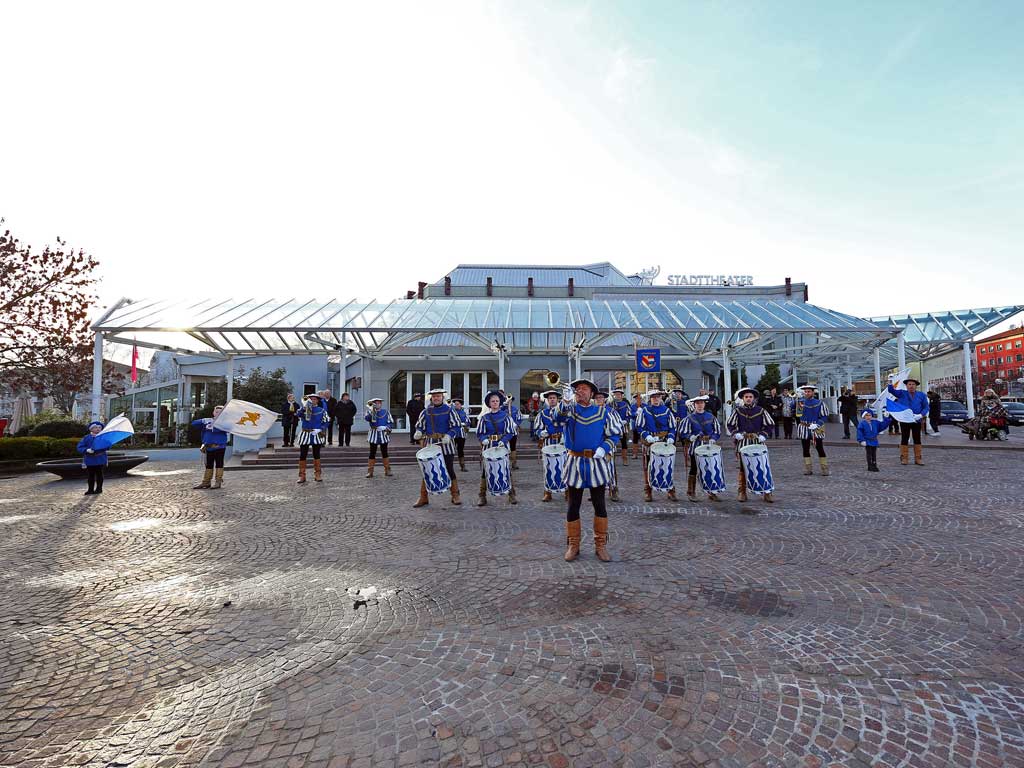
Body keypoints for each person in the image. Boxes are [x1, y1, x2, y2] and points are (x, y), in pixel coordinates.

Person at [553, 378, 621, 562]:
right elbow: (557, 419)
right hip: (574, 461)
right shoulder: (570, 410)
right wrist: (565, 401)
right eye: (577, 389)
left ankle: (601, 545)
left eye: (584, 389)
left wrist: (604, 448)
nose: (579, 391)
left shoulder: (603, 412)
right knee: (573, 504)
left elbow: (614, 434)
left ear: (592, 393)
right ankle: (573, 545)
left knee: (599, 504)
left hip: (596, 462)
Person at [413, 388, 462, 507]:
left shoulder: (450, 410)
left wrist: (449, 435)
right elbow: (420, 425)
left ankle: (455, 495)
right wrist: (419, 431)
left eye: (438, 396)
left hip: (446, 443)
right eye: (434, 396)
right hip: (430, 443)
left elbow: (456, 426)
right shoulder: (426, 411)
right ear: (431, 398)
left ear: (442, 397)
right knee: (427, 469)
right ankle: (423, 497)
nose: (436, 398)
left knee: (449, 469)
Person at [727, 388, 774, 504]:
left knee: (762, 466)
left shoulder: (761, 410)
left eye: (750, 397)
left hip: (758, 441)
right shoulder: (738, 411)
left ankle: (767, 491)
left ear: (754, 399)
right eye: (746, 397)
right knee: (743, 467)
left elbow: (770, 424)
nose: (748, 399)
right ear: (743, 398)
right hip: (743, 442)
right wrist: (735, 434)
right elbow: (730, 424)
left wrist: (764, 434)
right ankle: (742, 491)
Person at [476, 390, 518, 506]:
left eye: (497, 401)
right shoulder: (484, 418)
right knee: (485, 471)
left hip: (502, 446)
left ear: (500, 403)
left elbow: (510, 432)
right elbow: (479, 433)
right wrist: (483, 439)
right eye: (492, 401)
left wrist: (503, 441)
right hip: (488, 446)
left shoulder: (506, 417)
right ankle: (482, 495)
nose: (495, 403)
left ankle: (511, 494)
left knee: (506, 469)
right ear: (489, 403)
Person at [636, 389, 678, 503]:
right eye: (653, 397)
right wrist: (646, 435)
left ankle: (670, 489)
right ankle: (648, 490)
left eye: (658, 397)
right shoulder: (645, 411)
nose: (656, 399)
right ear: (650, 399)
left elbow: (672, 427)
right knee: (649, 466)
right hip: (650, 443)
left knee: (667, 466)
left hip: (664, 442)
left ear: (661, 398)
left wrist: (670, 437)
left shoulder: (667, 411)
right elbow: (639, 427)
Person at [680, 395, 721, 502]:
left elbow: (717, 431)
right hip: (696, 447)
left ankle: (712, 491)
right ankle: (691, 492)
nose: (699, 405)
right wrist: (690, 437)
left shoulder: (711, 416)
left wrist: (713, 438)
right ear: (694, 405)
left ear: (704, 404)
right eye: (697, 403)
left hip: (709, 447)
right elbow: (683, 432)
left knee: (711, 468)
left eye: (701, 403)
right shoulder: (689, 418)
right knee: (694, 468)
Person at [888, 377, 929, 465]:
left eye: (913, 384)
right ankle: (904, 458)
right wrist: (890, 381)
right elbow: (891, 390)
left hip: (916, 420)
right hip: (905, 420)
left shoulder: (921, 395)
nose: (911, 386)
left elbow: (926, 407)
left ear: (916, 386)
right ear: (906, 386)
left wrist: (921, 415)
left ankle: (918, 458)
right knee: (904, 438)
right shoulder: (902, 393)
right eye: (909, 384)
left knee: (917, 438)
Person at [535, 389, 566, 502]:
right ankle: (547, 492)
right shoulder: (542, 414)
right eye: (550, 398)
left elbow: (569, 425)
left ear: (558, 400)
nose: (552, 400)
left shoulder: (564, 412)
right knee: (548, 468)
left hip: (562, 443)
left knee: (564, 467)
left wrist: (565, 435)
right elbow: (537, 428)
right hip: (548, 442)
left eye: (554, 398)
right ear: (547, 400)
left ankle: (567, 491)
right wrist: (540, 433)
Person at [595, 390, 623, 502]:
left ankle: (613, 489)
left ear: (604, 399)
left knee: (610, 468)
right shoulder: (592, 411)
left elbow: (617, 427)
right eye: (596, 398)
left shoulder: (611, 411)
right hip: (594, 445)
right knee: (595, 468)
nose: (598, 399)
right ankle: (596, 491)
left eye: (600, 397)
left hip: (607, 444)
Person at [796, 383, 829, 476]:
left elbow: (824, 416)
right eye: (805, 391)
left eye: (808, 391)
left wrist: (817, 424)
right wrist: (796, 400)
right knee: (805, 449)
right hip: (804, 427)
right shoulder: (800, 402)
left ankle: (824, 468)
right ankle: (808, 469)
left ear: (813, 392)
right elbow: (796, 414)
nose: (806, 393)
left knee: (819, 448)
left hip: (816, 428)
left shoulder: (820, 403)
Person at [192, 405, 229, 489]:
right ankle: (206, 482)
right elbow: (194, 424)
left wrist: (213, 427)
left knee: (219, 464)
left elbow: (227, 429)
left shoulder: (224, 423)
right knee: (209, 464)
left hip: (220, 446)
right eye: (216, 412)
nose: (217, 413)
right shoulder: (208, 421)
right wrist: (203, 421)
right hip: (208, 447)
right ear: (213, 412)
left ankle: (218, 482)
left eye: (220, 412)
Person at [296, 393, 326, 483]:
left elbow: (327, 420)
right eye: (311, 399)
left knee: (316, 454)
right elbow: (298, 414)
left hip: (315, 433)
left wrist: (320, 429)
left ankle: (318, 474)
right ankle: (302, 476)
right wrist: (304, 407)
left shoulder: (321, 410)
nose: (312, 401)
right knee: (302, 455)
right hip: (305, 433)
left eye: (314, 399)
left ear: (317, 400)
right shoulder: (304, 409)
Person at [364, 397, 394, 478]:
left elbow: (390, 422)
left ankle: (387, 469)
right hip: (373, 433)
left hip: (383, 434)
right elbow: (367, 418)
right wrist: (371, 410)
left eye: (379, 403)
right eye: (376, 403)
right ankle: (370, 471)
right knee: (372, 453)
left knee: (384, 452)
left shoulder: (386, 412)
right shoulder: (369, 411)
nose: (377, 404)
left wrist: (385, 427)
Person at [77, 420, 108, 495]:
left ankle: (99, 489)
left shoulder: (103, 437)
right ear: (91, 429)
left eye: (99, 427)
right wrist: (86, 450)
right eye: (95, 427)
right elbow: (79, 447)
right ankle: (90, 489)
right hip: (90, 460)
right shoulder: (86, 438)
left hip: (100, 459)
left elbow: (108, 446)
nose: (97, 429)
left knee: (99, 475)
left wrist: (102, 446)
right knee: (90, 476)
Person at [610, 388, 633, 465]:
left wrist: (626, 420)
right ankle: (611, 458)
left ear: (622, 396)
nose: (617, 396)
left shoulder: (625, 404)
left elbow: (629, 415)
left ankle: (625, 459)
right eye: (616, 394)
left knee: (624, 443)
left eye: (619, 395)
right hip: (613, 426)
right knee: (612, 442)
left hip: (623, 426)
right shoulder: (610, 404)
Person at [451, 397, 470, 471]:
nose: (456, 405)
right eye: (455, 404)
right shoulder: (451, 412)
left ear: (460, 405)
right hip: (453, 434)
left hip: (461, 434)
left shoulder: (463, 413)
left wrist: (464, 424)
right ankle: (450, 466)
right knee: (451, 450)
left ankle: (462, 466)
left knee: (460, 450)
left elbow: (468, 422)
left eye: (458, 404)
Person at [506, 395, 521, 470]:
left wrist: (516, 424)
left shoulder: (515, 409)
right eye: (507, 399)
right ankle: (505, 463)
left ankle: (514, 463)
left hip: (513, 431)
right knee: (504, 447)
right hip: (504, 432)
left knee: (513, 447)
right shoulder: (502, 409)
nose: (509, 401)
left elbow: (519, 418)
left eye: (510, 400)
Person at [631, 392, 645, 459]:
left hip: (644, 426)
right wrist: (636, 413)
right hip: (635, 426)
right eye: (637, 398)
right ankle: (635, 454)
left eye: (640, 398)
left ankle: (644, 454)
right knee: (635, 440)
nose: (638, 400)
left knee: (644, 440)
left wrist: (643, 412)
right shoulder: (633, 406)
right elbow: (630, 414)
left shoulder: (645, 406)